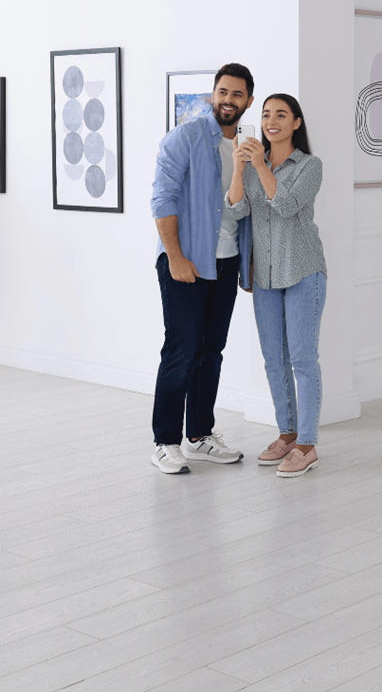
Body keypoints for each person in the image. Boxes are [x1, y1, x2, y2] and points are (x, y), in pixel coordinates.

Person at [150, 64, 255, 474]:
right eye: (223, 92)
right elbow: (163, 200)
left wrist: (247, 265)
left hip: (226, 263)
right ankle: (164, 441)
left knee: (211, 350)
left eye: (238, 94)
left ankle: (199, 436)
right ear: (214, 94)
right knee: (182, 350)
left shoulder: (248, 145)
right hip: (186, 261)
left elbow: (248, 212)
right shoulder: (186, 137)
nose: (228, 100)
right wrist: (175, 257)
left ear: (248, 100)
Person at [224, 93, 327, 477]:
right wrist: (240, 167)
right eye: (266, 114)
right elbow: (235, 209)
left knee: (302, 359)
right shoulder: (251, 164)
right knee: (274, 361)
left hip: (303, 271)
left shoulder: (310, 166)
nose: (272, 121)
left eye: (281, 115)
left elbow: (285, 205)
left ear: (296, 123)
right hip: (264, 275)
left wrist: (262, 165)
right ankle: (287, 434)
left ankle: (307, 444)